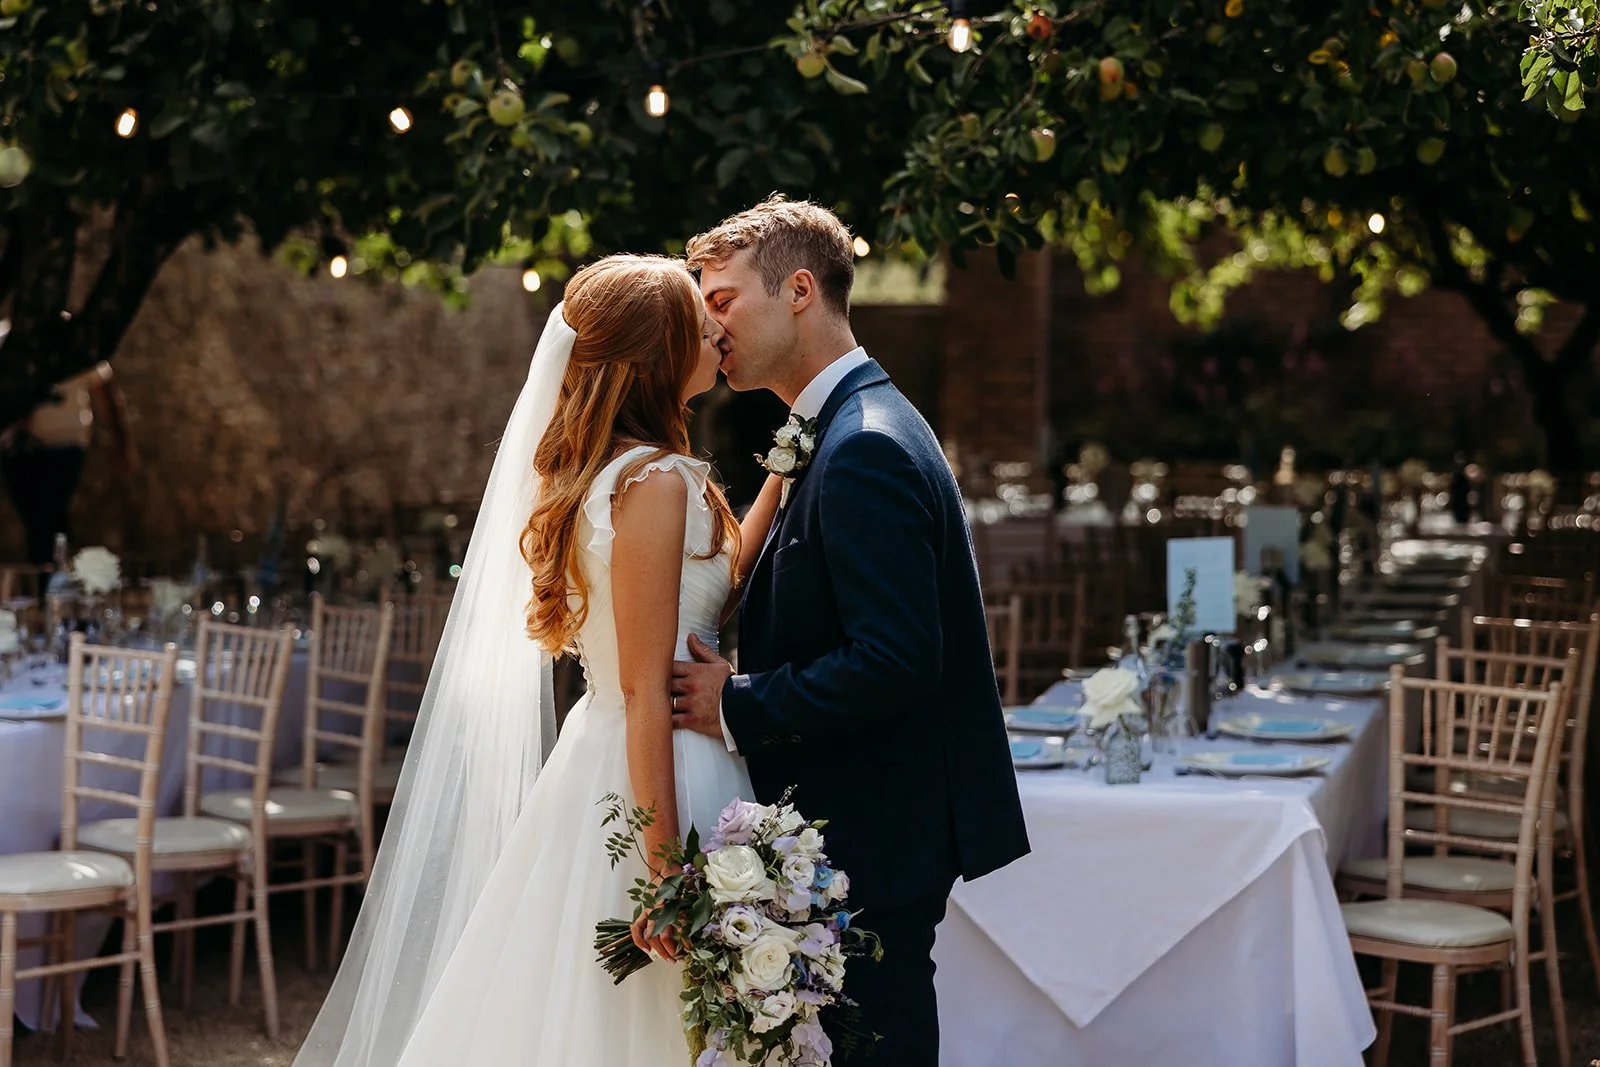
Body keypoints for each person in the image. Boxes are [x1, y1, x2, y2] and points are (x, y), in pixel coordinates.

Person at [293, 255, 772, 1065]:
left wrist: (779, 479)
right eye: (699, 325)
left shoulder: (618, 475)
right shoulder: (653, 482)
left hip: (605, 755)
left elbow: (702, 599)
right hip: (659, 764)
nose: (717, 332)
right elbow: (646, 686)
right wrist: (663, 868)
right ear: (658, 355)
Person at [670, 197, 1030, 1065]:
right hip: (862, 823)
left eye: (721, 300)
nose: (709, 327)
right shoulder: (836, 425)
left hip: (876, 832)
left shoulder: (865, 443)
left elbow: (897, 658)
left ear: (798, 289)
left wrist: (737, 700)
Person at [0, 359, 137, 563]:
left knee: (52, 514)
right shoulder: (8, 342)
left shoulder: (77, 345)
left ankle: (52, 577)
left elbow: (106, 388)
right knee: (36, 518)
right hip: (20, 445)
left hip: (67, 442)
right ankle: (47, 577)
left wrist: (122, 442)